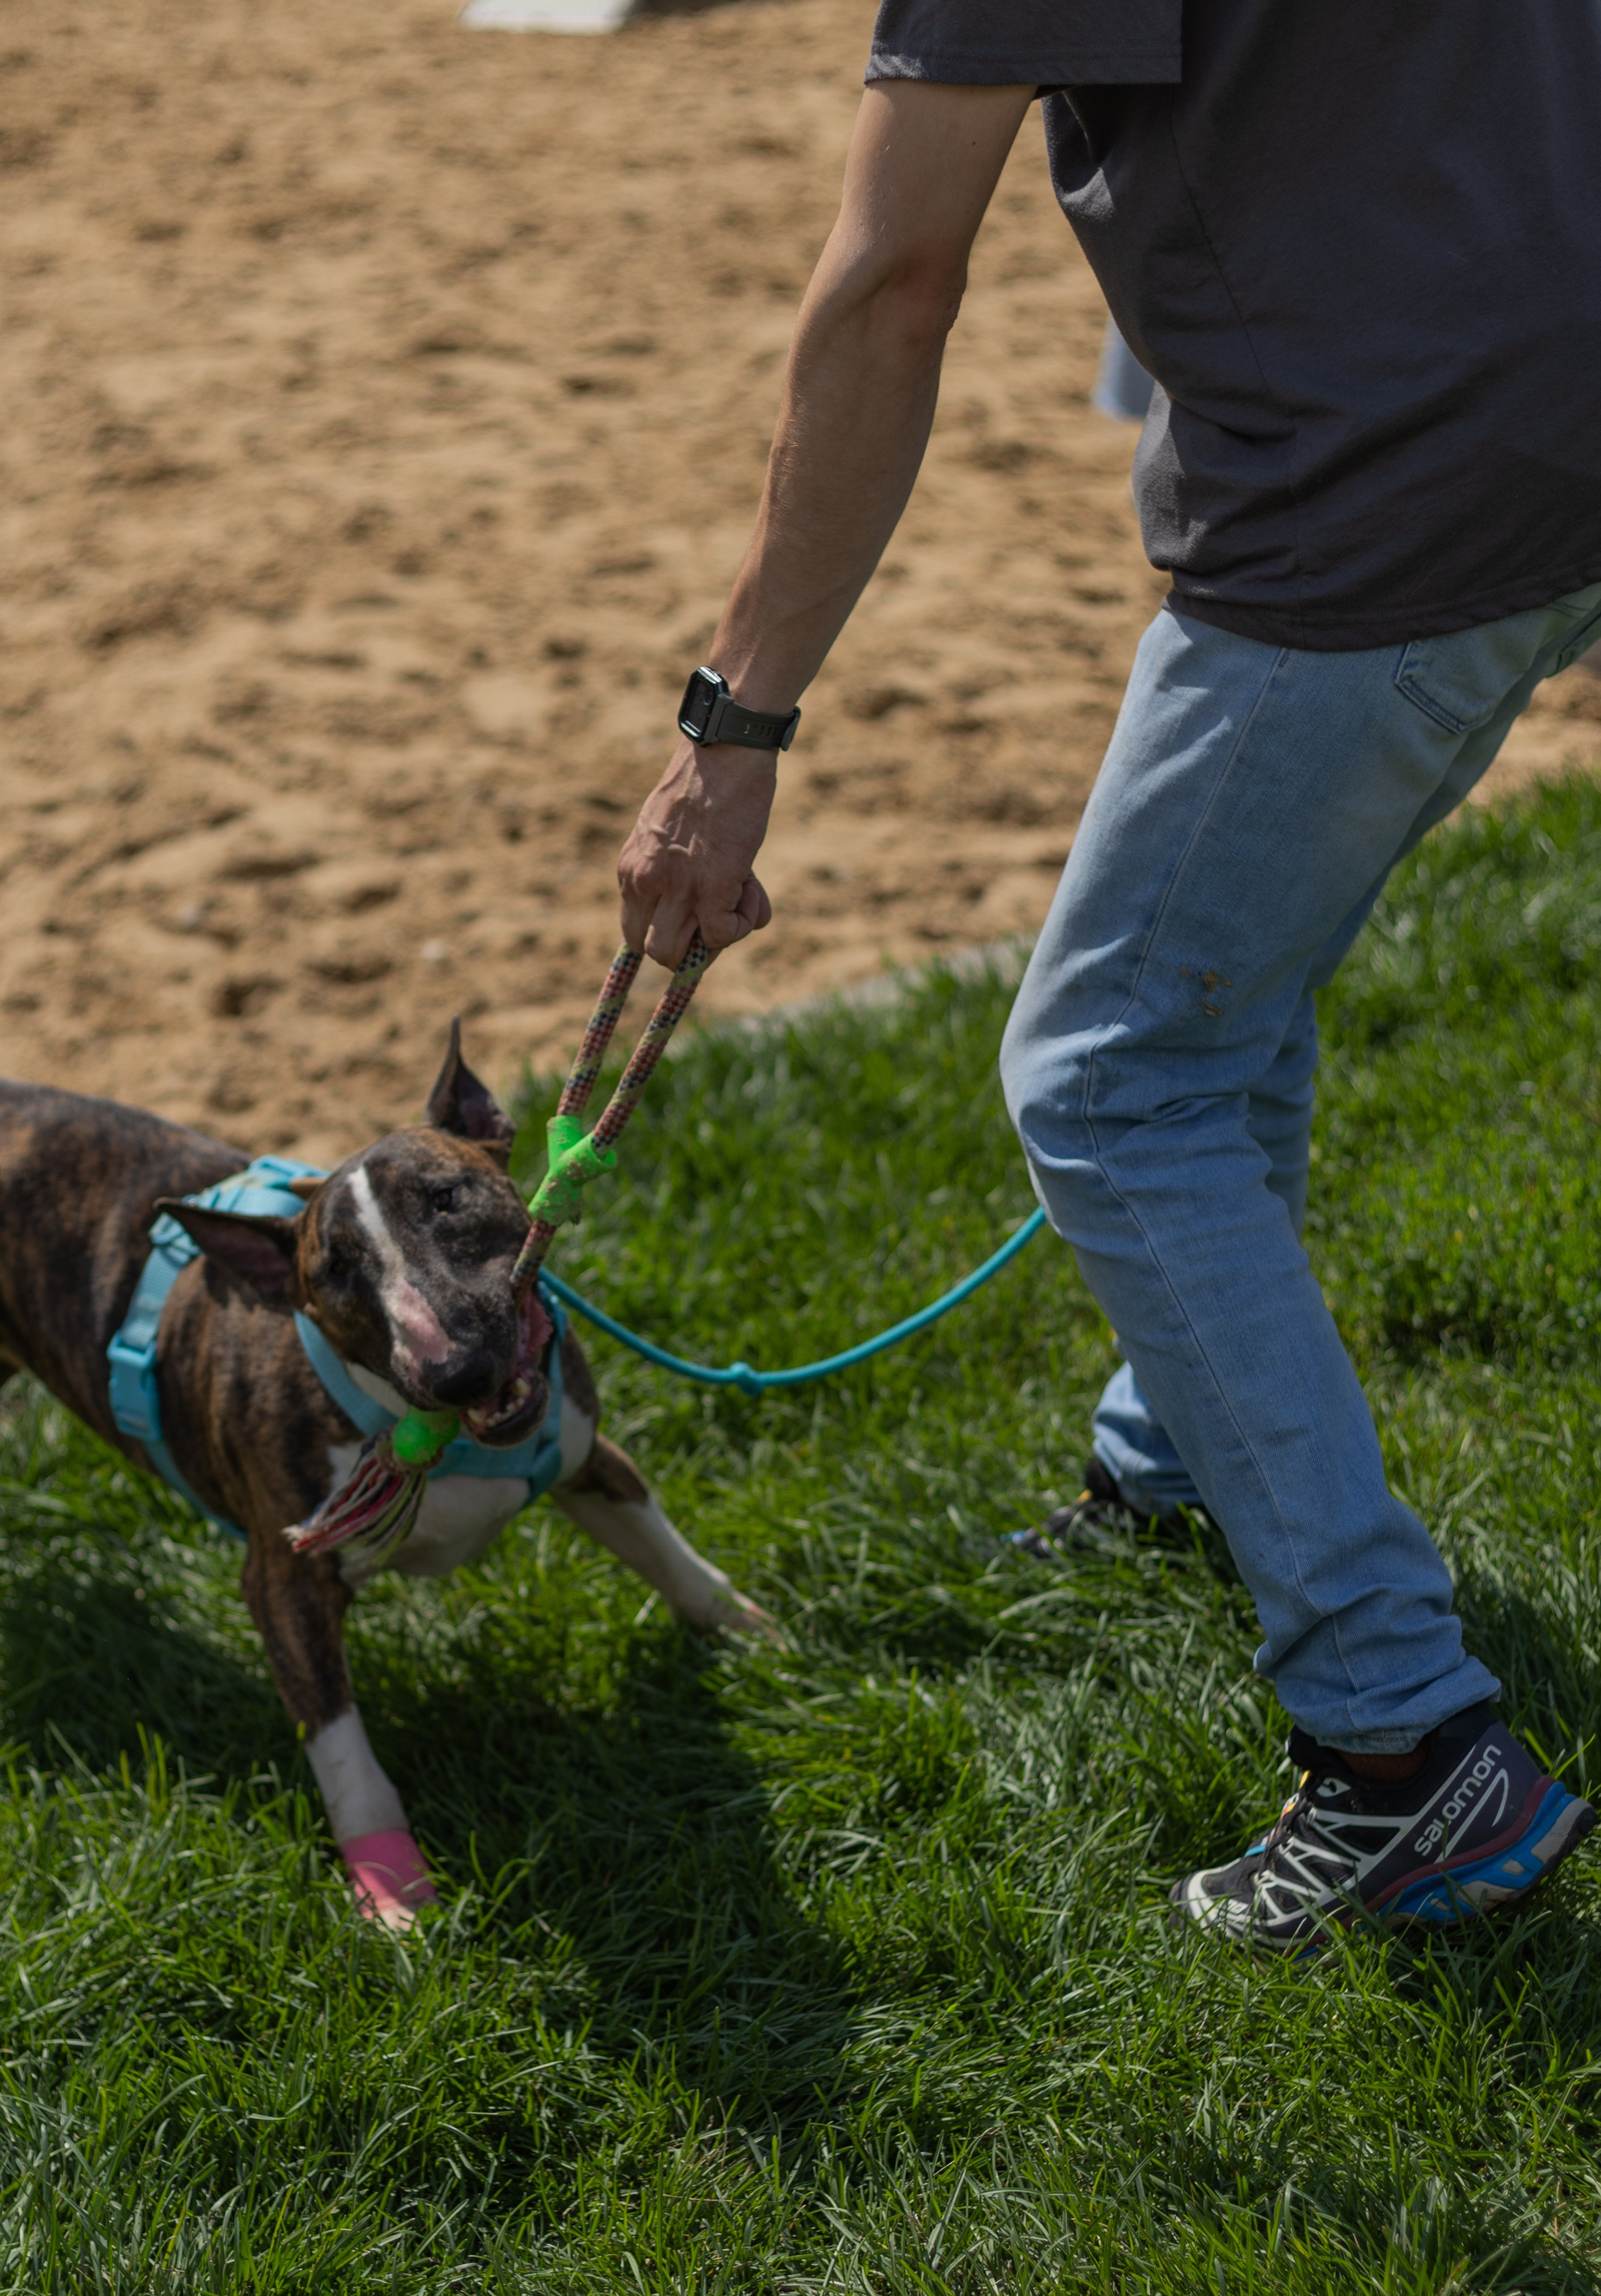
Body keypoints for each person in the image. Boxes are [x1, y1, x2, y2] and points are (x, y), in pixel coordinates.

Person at [613, 3, 1601, 1951]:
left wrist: (735, 727)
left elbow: (896, 276)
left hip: (1389, 495)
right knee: (1225, 983)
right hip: (1547, 440)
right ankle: (1177, 1471)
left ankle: (1408, 1750)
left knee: (1112, 1070)